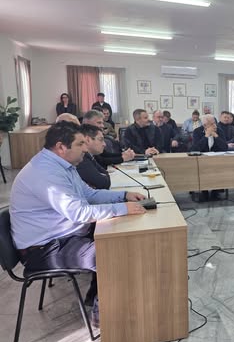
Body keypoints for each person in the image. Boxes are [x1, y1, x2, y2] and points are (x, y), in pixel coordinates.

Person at [10, 122, 147, 327]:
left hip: (60, 235)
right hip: (42, 249)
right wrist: (123, 208)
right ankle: (106, 320)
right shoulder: (46, 173)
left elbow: (89, 194)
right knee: (113, 251)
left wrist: (123, 195)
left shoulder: (63, 165)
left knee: (120, 235)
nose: (85, 148)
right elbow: (79, 213)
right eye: (80, 144)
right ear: (61, 147)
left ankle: (95, 296)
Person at [190, 114, 228, 201]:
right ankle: (204, 191)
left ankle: (216, 191)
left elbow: (225, 147)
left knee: (219, 167)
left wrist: (216, 136)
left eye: (214, 123)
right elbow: (195, 149)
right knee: (203, 168)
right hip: (202, 160)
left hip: (217, 160)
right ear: (205, 125)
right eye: (211, 124)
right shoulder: (197, 132)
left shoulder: (219, 131)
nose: (214, 125)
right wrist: (206, 136)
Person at [77, 124, 111, 190]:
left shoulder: (90, 156)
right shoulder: (82, 159)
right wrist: (104, 176)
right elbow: (102, 183)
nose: (104, 144)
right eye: (101, 140)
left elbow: (105, 174)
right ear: (88, 140)